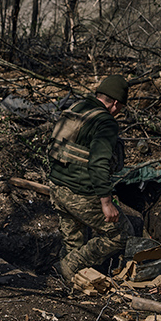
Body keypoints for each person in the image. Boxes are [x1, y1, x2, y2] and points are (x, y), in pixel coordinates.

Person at [46, 74, 132, 282]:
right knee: (121, 234)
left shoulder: (76, 109)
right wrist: (106, 202)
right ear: (116, 104)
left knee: (74, 243)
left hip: (57, 187)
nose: (119, 113)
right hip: (80, 193)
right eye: (120, 109)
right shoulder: (105, 122)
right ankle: (66, 268)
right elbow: (98, 163)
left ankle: (68, 284)